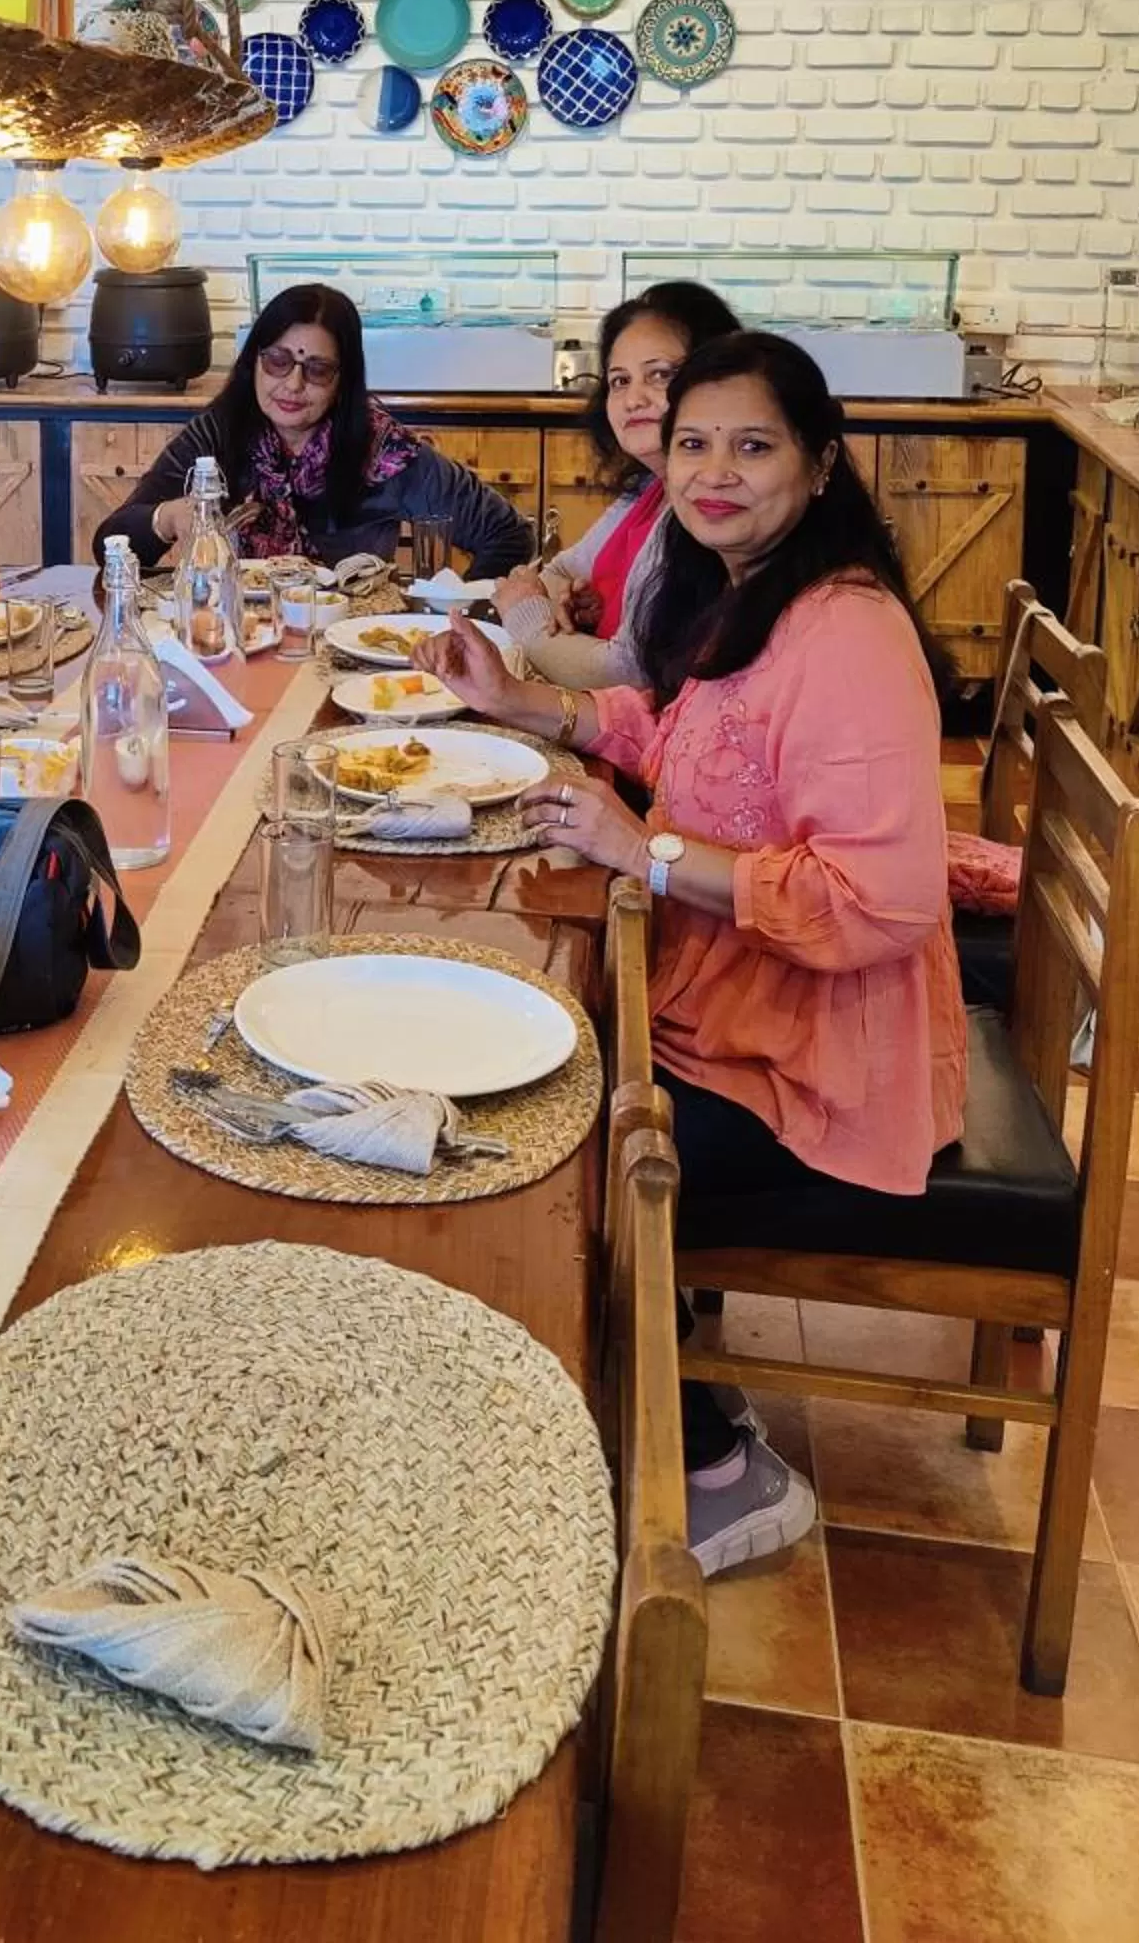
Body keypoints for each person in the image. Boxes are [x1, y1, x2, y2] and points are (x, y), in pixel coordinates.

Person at [423, 332, 964, 1579]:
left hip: (824, 1063)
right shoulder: (763, 592)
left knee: (551, 1151)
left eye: (754, 445)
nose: (714, 472)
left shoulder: (848, 634)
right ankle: (607, 1400)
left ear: (822, 464)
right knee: (528, 1061)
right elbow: (672, 734)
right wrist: (525, 706)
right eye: (694, 444)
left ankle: (718, 1463)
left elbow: (882, 903)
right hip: (734, 999)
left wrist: (646, 852)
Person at [92, 284, 532, 575]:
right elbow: (108, 546)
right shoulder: (217, 435)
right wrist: (166, 517)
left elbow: (509, 536)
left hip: (349, 647)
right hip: (234, 640)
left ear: (343, 382)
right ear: (254, 362)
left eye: (317, 370)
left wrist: (453, 621)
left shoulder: (384, 451)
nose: (293, 385)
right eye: (278, 362)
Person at [495, 280, 741, 689]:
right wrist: (559, 599)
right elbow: (558, 569)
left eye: (659, 375)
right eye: (620, 381)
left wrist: (527, 616)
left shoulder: (707, 511)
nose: (633, 400)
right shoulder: (647, 489)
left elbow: (629, 672)